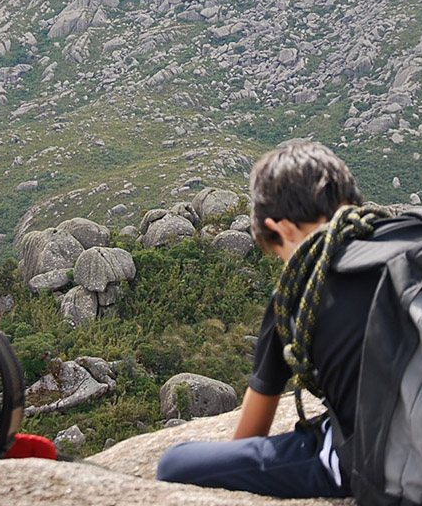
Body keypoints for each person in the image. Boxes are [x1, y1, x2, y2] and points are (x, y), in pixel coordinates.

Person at [156, 140, 371, 498]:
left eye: (277, 255)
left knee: (175, 463)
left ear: (282, 229)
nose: (284, 266)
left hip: (396, 459)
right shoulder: (415, 242)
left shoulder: (298, 289)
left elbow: (247, 442)